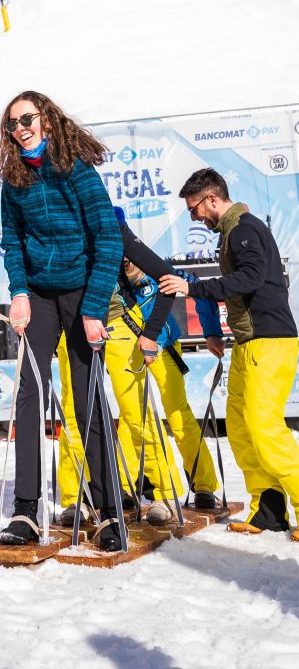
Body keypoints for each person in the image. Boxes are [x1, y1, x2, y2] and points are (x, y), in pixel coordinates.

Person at [0, 90, 125, 551]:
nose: (20, 128)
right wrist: (18, 292)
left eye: (26, 118)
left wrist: (92, 309)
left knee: (87, 396)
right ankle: (27, 509)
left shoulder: (76, 170)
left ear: (46, 120)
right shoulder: (13, 179)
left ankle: (108, 510)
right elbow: (11, 239)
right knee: (29, 393)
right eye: (12, 124)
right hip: (39, 295)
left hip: (80, 290)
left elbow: (108, 239)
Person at [159, 168, 299, 541]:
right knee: (239, 428)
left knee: (264, 427)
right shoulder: (234, 232)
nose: (194, 218)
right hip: (249, 343)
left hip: (269, 342)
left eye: (194, 209)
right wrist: (215, 331)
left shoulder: (243, 229)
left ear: (211, 199)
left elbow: (252, 277)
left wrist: (194, 288)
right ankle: (268, 510)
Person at [57, 212, 221, 526]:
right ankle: (97, 492)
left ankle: (193, 485)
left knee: (166, 414)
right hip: (90, 330)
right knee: (79, 416)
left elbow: (187, 287)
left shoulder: (131, 254)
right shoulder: (76, 245)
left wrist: (202, 331)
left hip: (153, 342)